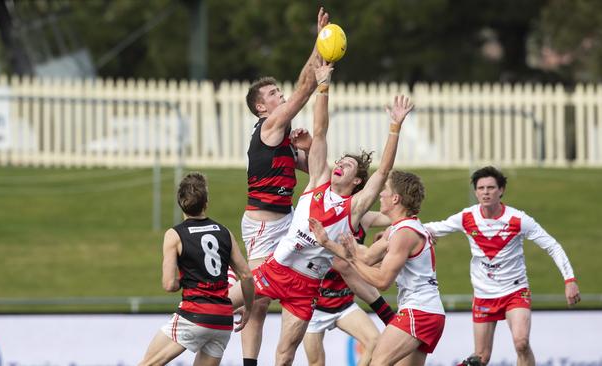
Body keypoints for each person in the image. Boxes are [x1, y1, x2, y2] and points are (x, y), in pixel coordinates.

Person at [230, 59, 414, 365]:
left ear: (356, 181)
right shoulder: (316, 181)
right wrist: (323, 86)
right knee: (216, 305)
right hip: (277, 269)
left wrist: (394, 127)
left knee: (286, 352)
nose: (339, 163)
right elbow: (321, 130)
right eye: (339, 160)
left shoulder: (354, 208)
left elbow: (382, 171)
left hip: (305, 287)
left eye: (349, 165)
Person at [233, 7, 330, 366]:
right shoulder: (270, 126)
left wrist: (306, 149)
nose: (281, 96)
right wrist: (319, 43)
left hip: (287, 221)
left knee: (300, 288)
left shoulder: (285, 138)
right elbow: (306, 87)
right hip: (262, 226)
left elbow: (321, 173)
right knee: (257, 300)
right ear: (262, 107)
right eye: (274, 94)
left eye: (279, 92)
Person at [423, 166, 581, 366]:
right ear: (475, 192)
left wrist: (570, 280)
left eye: (491, 187)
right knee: (480, 358)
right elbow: (434, 228)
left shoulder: (518, 219)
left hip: (515, 291)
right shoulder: (467, 217)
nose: (485, 192)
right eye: (481, 188)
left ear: (501, 190)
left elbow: (552, 246)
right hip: (484, 294)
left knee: (521, 343)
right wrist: (394, 232)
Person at [310, 170, 446, 365]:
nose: (381, 194)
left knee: (377, 361)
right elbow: (366, 257)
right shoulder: (396, 229)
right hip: (427, 312)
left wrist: (352, 260)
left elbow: (382, 281)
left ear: (396, 198)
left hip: (420, 312)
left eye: (385, 191)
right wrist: (328, 243)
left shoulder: (404, 233)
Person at [139, 172, 255, 366]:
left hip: (193, 316)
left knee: (147, 364)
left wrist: (184, 279)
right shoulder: (224, 232)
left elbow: (169, 284)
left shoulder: (174, 235)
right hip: (222, 321)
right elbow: (246, 275)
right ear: (206, 203)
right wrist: (249, 308)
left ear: (179, 202)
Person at [303, 211, 395, 366]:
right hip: (315, 308)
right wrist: (381, 247)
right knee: (316, 363)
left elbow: (398, 216)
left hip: (343, 303)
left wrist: (391, 235)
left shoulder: (364, 218)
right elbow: (355, 257)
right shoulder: (329, 221)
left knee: (375, 342)